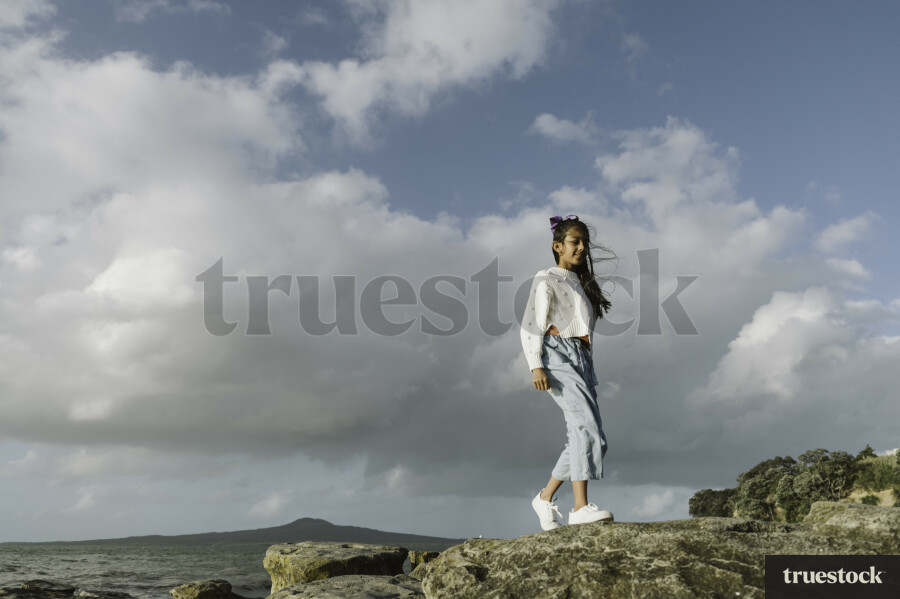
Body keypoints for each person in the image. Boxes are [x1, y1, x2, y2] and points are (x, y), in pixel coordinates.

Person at [520, 214, 615, 530]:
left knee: (592, 438)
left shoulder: (582, 282)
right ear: (557, 246)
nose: (582, 248)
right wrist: (536, 365)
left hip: (582, 360)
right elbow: (531, 324)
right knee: (585, 427)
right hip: (557, 357)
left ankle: (545, 498)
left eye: (584, 242)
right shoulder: (547, 278)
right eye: (575, 242)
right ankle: (579, 508)